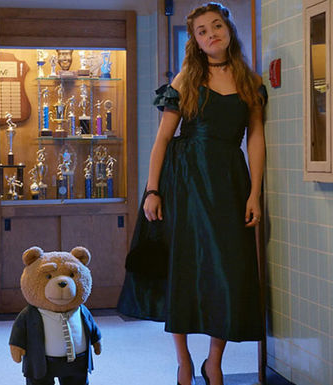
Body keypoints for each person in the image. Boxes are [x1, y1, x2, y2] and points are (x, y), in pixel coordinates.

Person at [117, 3, 266, 385]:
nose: (211, 33)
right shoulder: (187, 78)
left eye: (216, 26)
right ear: (196, 42)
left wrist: (255, 193)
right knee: (180, 269)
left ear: (229, 30)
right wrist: (152, 190)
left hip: (229, 183)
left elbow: (257, 139)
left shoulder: (249, 80)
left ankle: (214, 361)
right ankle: (184, 360)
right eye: (202, 31)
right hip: (182, 181)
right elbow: (163, 139)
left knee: (228, 271)